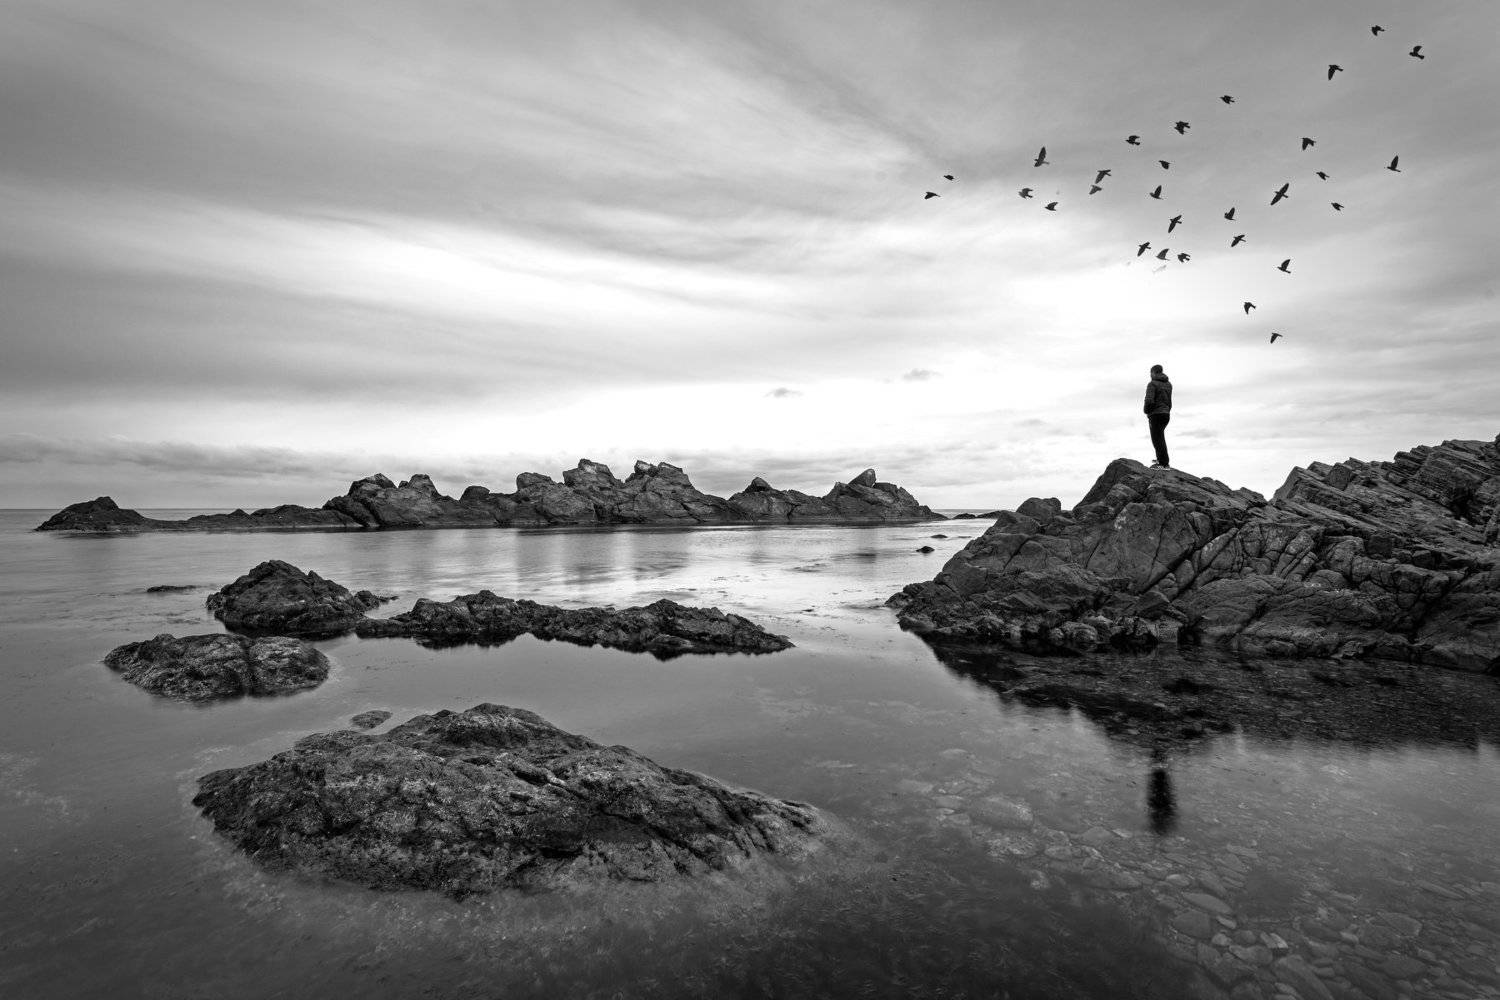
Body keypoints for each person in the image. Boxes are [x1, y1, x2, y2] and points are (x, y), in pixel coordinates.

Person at [1143, 364, 1172, 469]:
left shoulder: (1152, 384)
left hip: (1156, 414)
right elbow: (1169, 401)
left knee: (1157, 439)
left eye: (1151, 373)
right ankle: (1161, 459)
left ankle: (1163, 464)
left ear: (1153, 372)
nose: (1150, 375)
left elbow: (1149, 400)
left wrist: (1146, 411)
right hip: (1166, 414)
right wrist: (1167, 410)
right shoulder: (1168, 384)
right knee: (1160, 437)